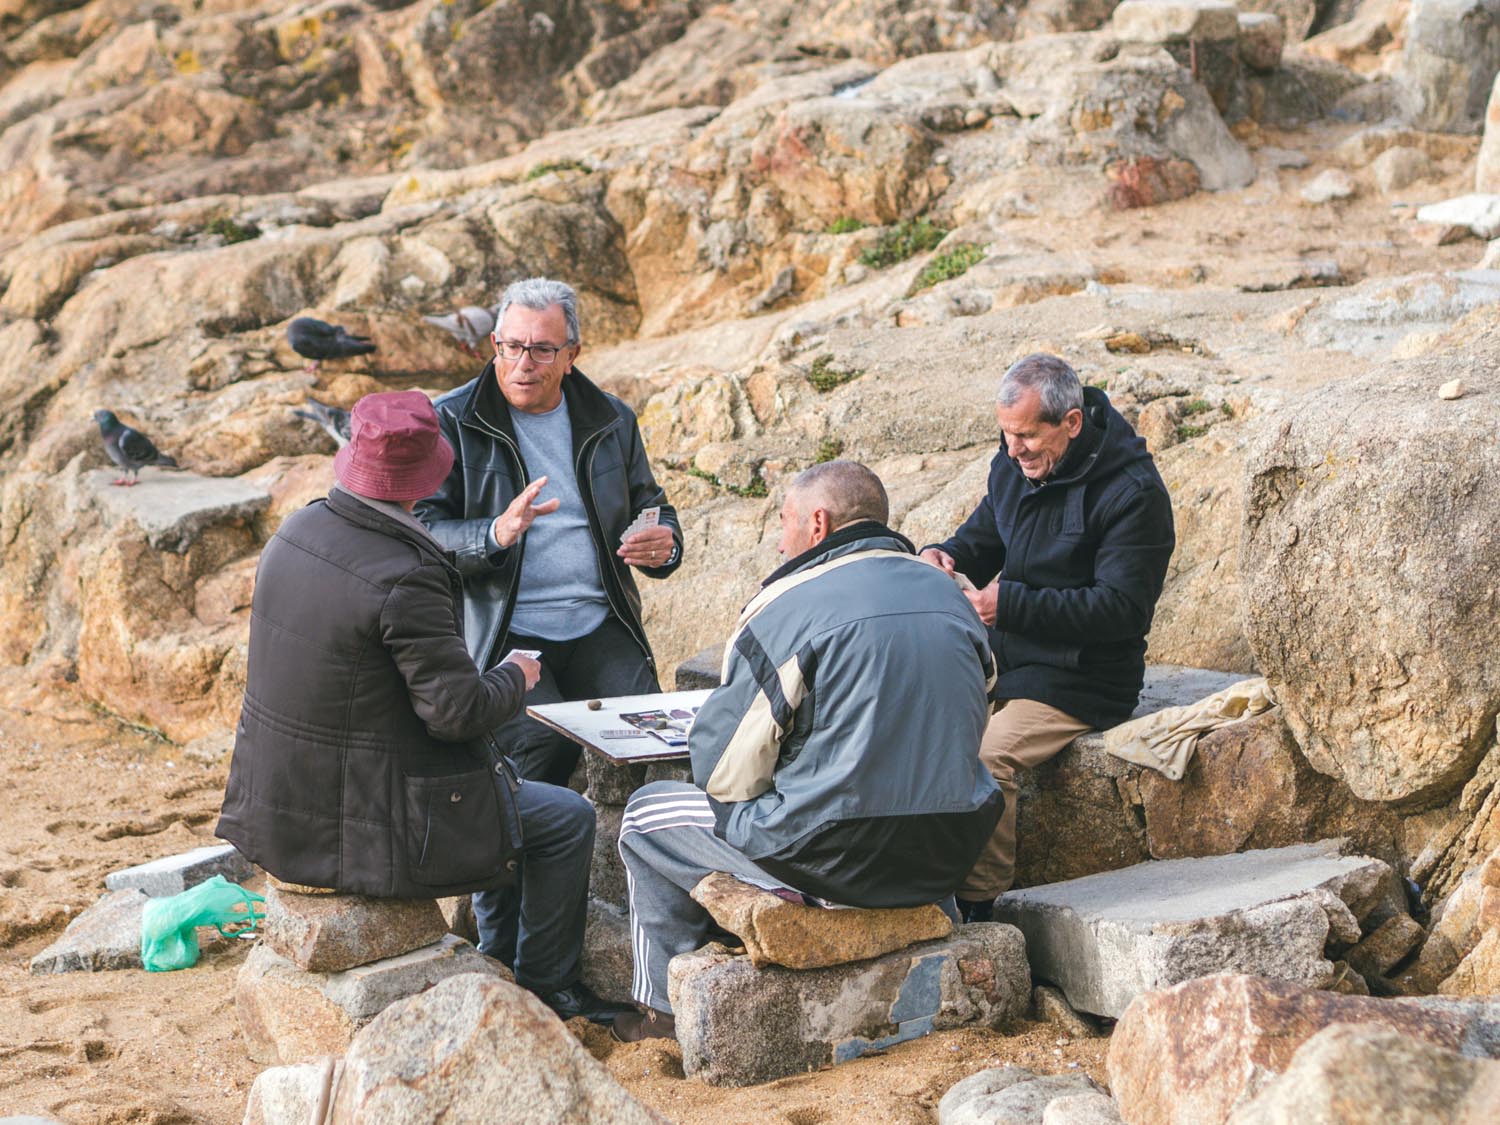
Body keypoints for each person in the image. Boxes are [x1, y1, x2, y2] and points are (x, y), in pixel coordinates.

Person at [217, 391, 627, 1024]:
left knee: (507, 788)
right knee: (566, 817)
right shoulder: (408, 572)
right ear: (423, 477)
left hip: (278, 804)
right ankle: (547, 990)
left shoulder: (299, 529)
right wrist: (516, 673)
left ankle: (494, 953)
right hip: (361, 824)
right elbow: (456, 714)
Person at [611, 461, 1001, 1042]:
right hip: (946, 857)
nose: (779, 539)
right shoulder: (950, 597)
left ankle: (660, 1013)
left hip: (832, 859)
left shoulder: (787, 605)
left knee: (645, 815)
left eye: (786, 521)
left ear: (818, 524)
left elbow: (723, 773)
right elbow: (974, 709)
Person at [415, 277, 682, 975]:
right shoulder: (454, 418)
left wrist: (664, 544)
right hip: (505, 630)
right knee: (531, 769)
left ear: (573, 353)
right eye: (508, 347)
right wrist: (494, 533)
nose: (520, 365)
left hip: (598, 623)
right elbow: (421, 531)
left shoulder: (610, 418)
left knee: (661, 745)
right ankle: (515, 959)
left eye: (540, 350)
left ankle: (653, 925)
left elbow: (653, 507)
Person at [918, 353, 1175, 923]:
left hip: (1082, 678)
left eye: (1029, 436)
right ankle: (910, 882)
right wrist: (947, 555)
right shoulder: (1015, 463)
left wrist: (1006, 604)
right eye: (1007, 435)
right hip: (1007, 657)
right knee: (915, 719)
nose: (1015, 450)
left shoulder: (1133, 493)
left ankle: (978, 908)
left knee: (987, 756)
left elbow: (1122, 610)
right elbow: (984, 536)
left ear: (1073, 423)